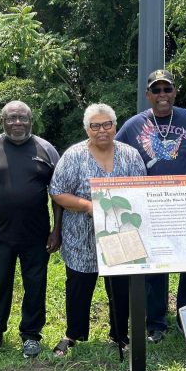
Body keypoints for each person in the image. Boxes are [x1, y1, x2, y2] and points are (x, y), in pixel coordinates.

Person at [116, 69, 186, 342]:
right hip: (151, 207)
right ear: (148, 95)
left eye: (167, 89)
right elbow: (114, 151)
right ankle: (155, 322)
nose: (162, 95)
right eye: (156, 90)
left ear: (174, 92)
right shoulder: (134, 125)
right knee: (155, 265)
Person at [0, 100, 62, 359]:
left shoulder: (47, 150)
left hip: (37, 236)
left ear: (31, 121)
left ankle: (31, 336)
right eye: (12, 118)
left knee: (35, 287)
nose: (17, 122)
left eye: (22, 118)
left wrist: (56, 230)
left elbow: (58, 194)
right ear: (3, 121)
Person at [49, 104, 146, 357]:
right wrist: (89, 206)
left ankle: (120, 334)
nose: (102, 130)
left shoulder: (130, 155)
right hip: (82, 235)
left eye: (107, 124)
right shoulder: (74, 155)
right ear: (87, 129)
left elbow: (142, 190)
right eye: (95, 126)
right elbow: (57, 192)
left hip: (121, 233)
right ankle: (73, 334)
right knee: (79, 285)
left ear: (115, 126)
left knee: (121, 286)